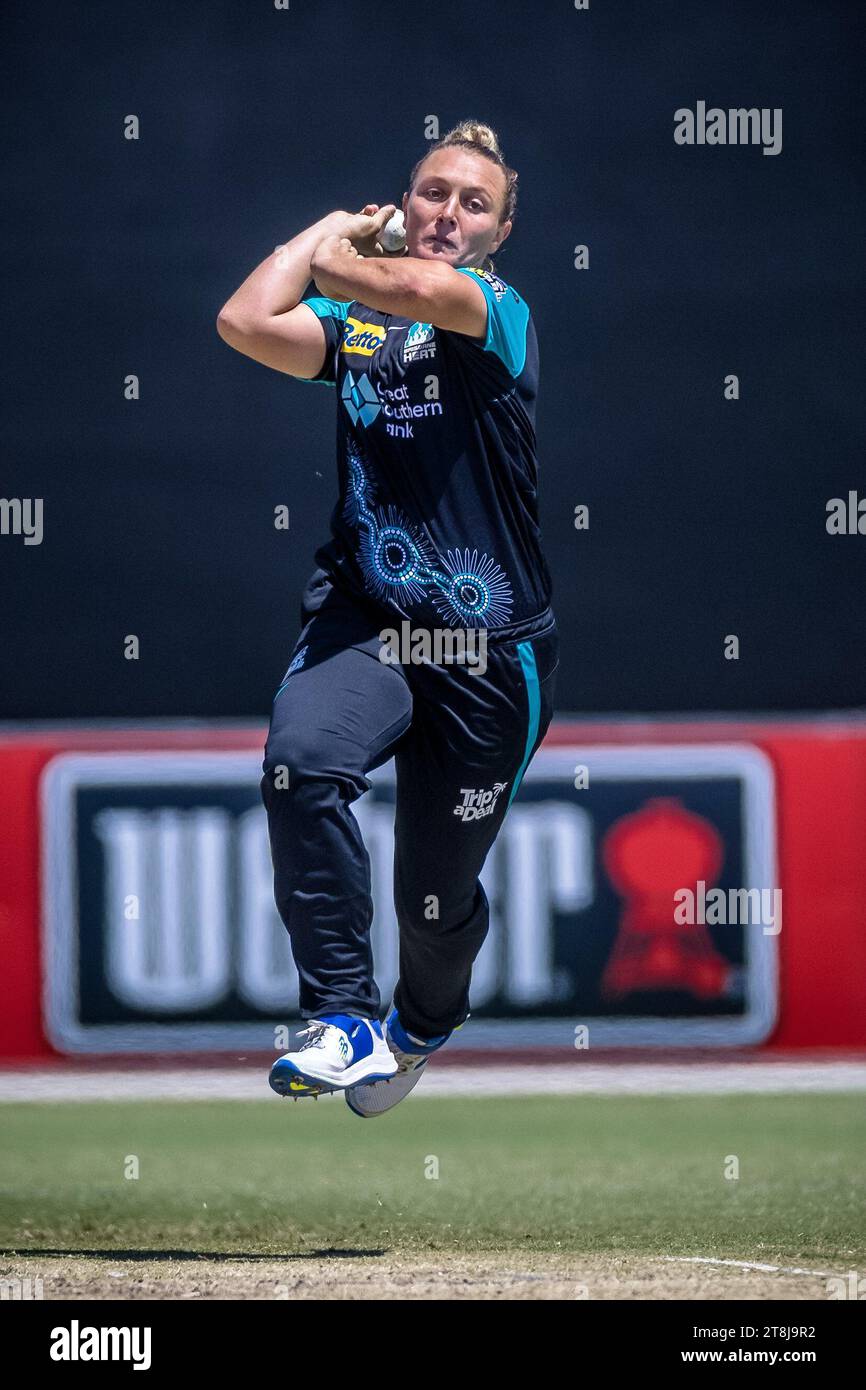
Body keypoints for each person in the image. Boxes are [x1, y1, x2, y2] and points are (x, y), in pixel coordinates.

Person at [217, 120, 559, 1116]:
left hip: (485, 649)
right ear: (400, 203)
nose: (446, 214)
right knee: (301, 762)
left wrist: (338, 256)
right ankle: (340, 1019)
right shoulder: (360, 327)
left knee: (432, 902)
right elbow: (243, 320)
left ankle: (418, 1025)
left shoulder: (491, 308)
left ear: (499, 233)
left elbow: (408, 289)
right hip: (366, 617)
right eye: (430, 193)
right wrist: (331, 228)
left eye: (472, 203)